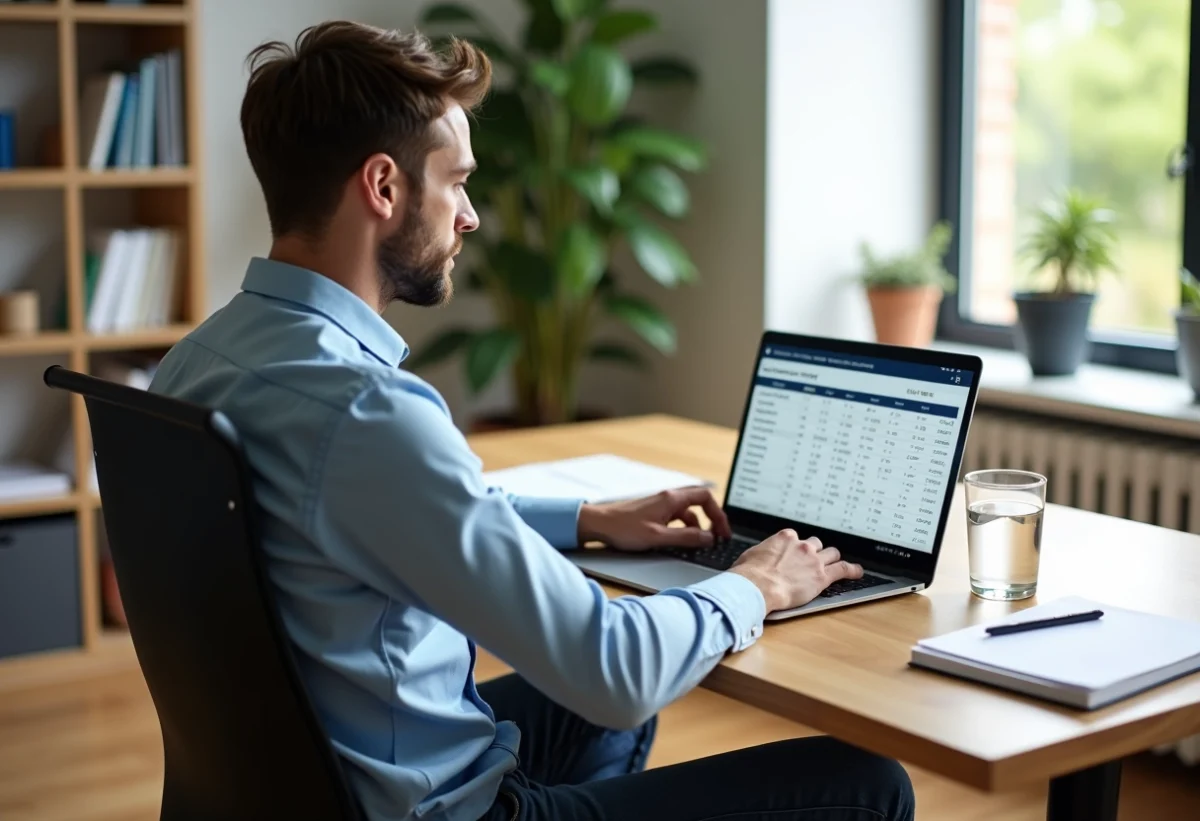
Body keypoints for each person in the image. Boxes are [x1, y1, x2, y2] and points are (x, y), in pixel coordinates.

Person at [149, 20, 916, 821]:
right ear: (383, 187)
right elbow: (612, 672)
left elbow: (360, 505)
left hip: (299, 788)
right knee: (868, 783)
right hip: (436, 809)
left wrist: (586, 518)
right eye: (458, 182)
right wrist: (752, 584)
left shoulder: (199, 363)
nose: (471, 216)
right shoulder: (365, 410)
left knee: (612, 680)